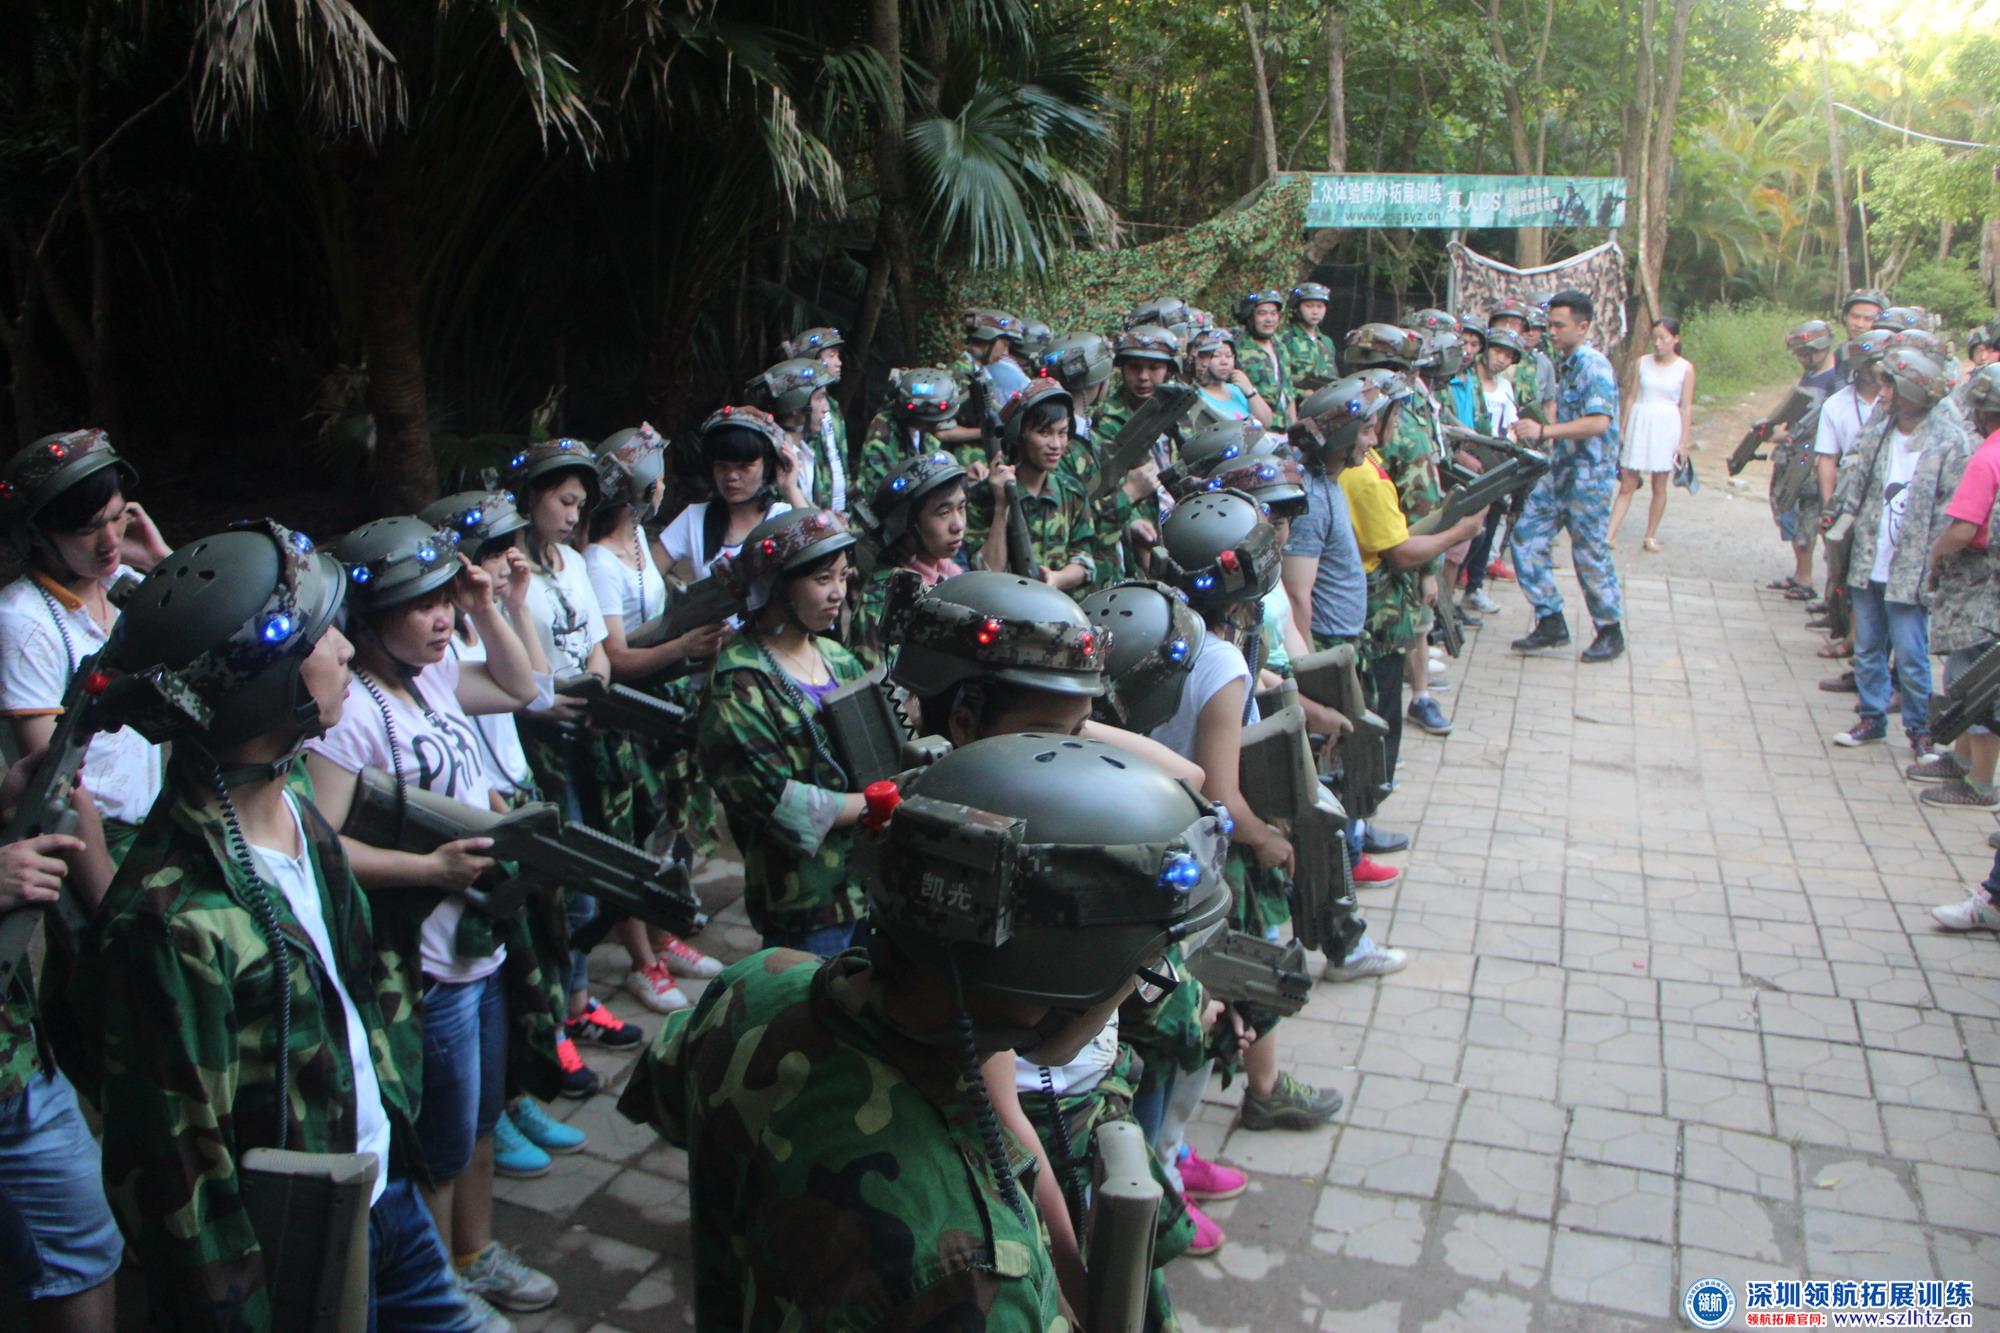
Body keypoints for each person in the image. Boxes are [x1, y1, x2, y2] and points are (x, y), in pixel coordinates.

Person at [617, 732, 1230, 1328]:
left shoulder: (757, 984)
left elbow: (666, 1097)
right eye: (1145, 967)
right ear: (1061, 976)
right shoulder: (975, 1274)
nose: (1145, 983)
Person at [71, 520, 493, 1332]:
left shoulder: (295, 803)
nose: (346, 648)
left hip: (384, 1190)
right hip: (298, 1251)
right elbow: (183, 1187)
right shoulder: (171, 923)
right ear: (269, 689)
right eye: (323, 636)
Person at [305, 515, 562, 1321]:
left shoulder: (433, 674)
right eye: (420, 605)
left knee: (479, 1119)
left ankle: (474, 1252)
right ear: (368, 618)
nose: (440, 617)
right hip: (422, 959)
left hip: (477, 942)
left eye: (442, 598)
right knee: (439, 1141)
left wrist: (487, 605)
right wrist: (427, 869)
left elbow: (524, 687)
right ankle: (439, 1289)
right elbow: (325, 846)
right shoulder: (351, 713)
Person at [417, 489, 592, 1173]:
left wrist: (515, 605)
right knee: (511, 967)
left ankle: (516, 1095)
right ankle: (504, 1102)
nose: (501, 562)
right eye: (488, 552)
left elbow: (537, 689)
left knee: (537, 958)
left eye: (506, 549)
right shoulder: (442, 639)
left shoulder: (480, 626)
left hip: (513, 794)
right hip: (480, 811)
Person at [501, 440, 650, 1083]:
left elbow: (595, 645)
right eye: (563, 501)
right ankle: (553, 1023)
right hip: (535, 745)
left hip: (586, 734)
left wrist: (594, 687)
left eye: (579, 504)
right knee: (558, 887)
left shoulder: (571, 562)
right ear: (530, 498)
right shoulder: (506, 574)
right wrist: (544, 701)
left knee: (592, 876)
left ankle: (579, 1002)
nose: (571, 515)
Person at [584, 430, 728, 1012]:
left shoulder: (640, 541)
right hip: (627, 715)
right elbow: (616, 656)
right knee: (634, 837)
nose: (665, 487)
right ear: (644, 487)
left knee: (668, 828)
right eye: (659, 478)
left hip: (663, 705)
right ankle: (641, 959)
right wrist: (682, 646)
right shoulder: (599, 562)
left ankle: (665, 935)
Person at [697, 508, 871, 955]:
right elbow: (781, 805)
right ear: (777, 587)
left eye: (843, 577)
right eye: (822, 579)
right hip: (806, 902)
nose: (838, 593)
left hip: (869, 884)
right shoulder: (738, 684)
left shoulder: (836, 656)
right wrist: (881, 802)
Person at [0, 429, 172, 860]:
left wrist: (160, 562)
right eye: (87, 529)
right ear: (37, 535)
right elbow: (56, 780)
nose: (111, 541)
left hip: (156, 815)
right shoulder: (23, 621)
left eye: (117, 518)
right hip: (95, 839)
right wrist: (104, 895)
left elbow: (219, 643)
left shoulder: (122, 582)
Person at [1831, 348, 1976, 755]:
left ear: (1912, 391)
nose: (1882, 393)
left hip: (1912, 569)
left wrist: (1936, 562)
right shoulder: (1878, 431)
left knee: (1912, 656)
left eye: (1890, 385)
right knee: (1868, 648)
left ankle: (1919, 730)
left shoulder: (1949, 441)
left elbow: (1951, 509)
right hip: (1868, 560)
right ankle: (1871, 717)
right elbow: (1855, 483)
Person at [1508, 289, 1627, 663]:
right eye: (1550, 325)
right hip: (1560, 472)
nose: (1552, 332)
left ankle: (1610, 630)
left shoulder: (1593, 366)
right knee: (1526, 536)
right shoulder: (1568, 363)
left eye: (1560, 325)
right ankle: (1550, 620)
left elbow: (1598, 422)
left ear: (1583, 326)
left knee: (1589, 553)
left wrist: (1544, 431)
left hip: (1589, 478)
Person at [1914, 364, 2000, 811]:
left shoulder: (1987, 456)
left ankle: (1980, 781)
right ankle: (1963, 760)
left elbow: (1964, 529)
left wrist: (1936, 554)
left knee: (1975, 684)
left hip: (1979, 586)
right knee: (1973, 675)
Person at [966, 378, 1096, 592]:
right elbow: (987, 572)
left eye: (1062, 433)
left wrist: (1057, 578)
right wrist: (1001, 507)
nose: (1056, 444)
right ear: (1020, 433)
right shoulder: (983, 496)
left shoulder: (1072, 492)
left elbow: (1085, 561)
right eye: (1044, 433)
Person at [1085, 325, 1184, 587]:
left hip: (1180, 519)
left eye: (1154, 368)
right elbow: (1102, 486)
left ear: (1169, 369)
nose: (1143, 377)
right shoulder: (1107, 420)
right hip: (1139, 535)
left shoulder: (1179, 407)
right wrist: (1131, 521)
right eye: (1134, 368)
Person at [658, 408, 803, 584]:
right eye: (722, 466)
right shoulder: (695, 518)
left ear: (768, 466)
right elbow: (645, 577)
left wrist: (790, 488)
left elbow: (822, 551)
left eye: (744, 466)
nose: (731, 476)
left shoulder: (784, 517)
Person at [848, 451, 967, 663]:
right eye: (943, 513)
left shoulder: (952, 574)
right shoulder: (885, 596)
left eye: (961, 508)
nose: (958, 525)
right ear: (904, 524)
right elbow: (880, 678)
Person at [1608, 317, 1694, 553]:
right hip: (1641, 419)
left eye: (1663, 338)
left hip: (1666, 424)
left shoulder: (1685, 368)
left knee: (1659, 484)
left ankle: (1650, 535)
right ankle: (1610, 534)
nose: (1657, 343)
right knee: (1628, 481)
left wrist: (1684, 441)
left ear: (1675, 339)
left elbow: (1686, 406)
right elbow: (1632, 395)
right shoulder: (1642, 363)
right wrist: (1623, 426)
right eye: (1655, 338)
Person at [853, 367, 980, 503]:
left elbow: (931, 465)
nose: (941, 422)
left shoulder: (923, 432)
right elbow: (886, 494)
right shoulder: (884, 435)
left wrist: (960, 472)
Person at [748, 358, 847, 516]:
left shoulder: (805, 453)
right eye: (819, 398)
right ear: (795, 404)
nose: (826, 408)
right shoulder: (773, 462)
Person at [1233, 289, 1294, 426]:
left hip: (1285, 428)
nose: (1269, 319)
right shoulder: (1237, 348)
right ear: (1250, 316)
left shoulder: (1280, 345)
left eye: (1273, 313)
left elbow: (1288, 391)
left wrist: (1293, 425)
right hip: (1255, 428)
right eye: (1262, 313)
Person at [1186, 327, 1270, 426]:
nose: (1224, 362)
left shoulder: (1238, 390)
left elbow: (1266, 423)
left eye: (1229, 355)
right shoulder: (1194, 396)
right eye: (1216, 355)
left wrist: (1250, 392)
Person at [1277, 282, 1338, 390]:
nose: (1315, 312)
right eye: (1309, 306)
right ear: (1297, 308)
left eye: (1320, 306)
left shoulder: (1326, 342)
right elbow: (1277, 378)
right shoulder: (1284, 338)